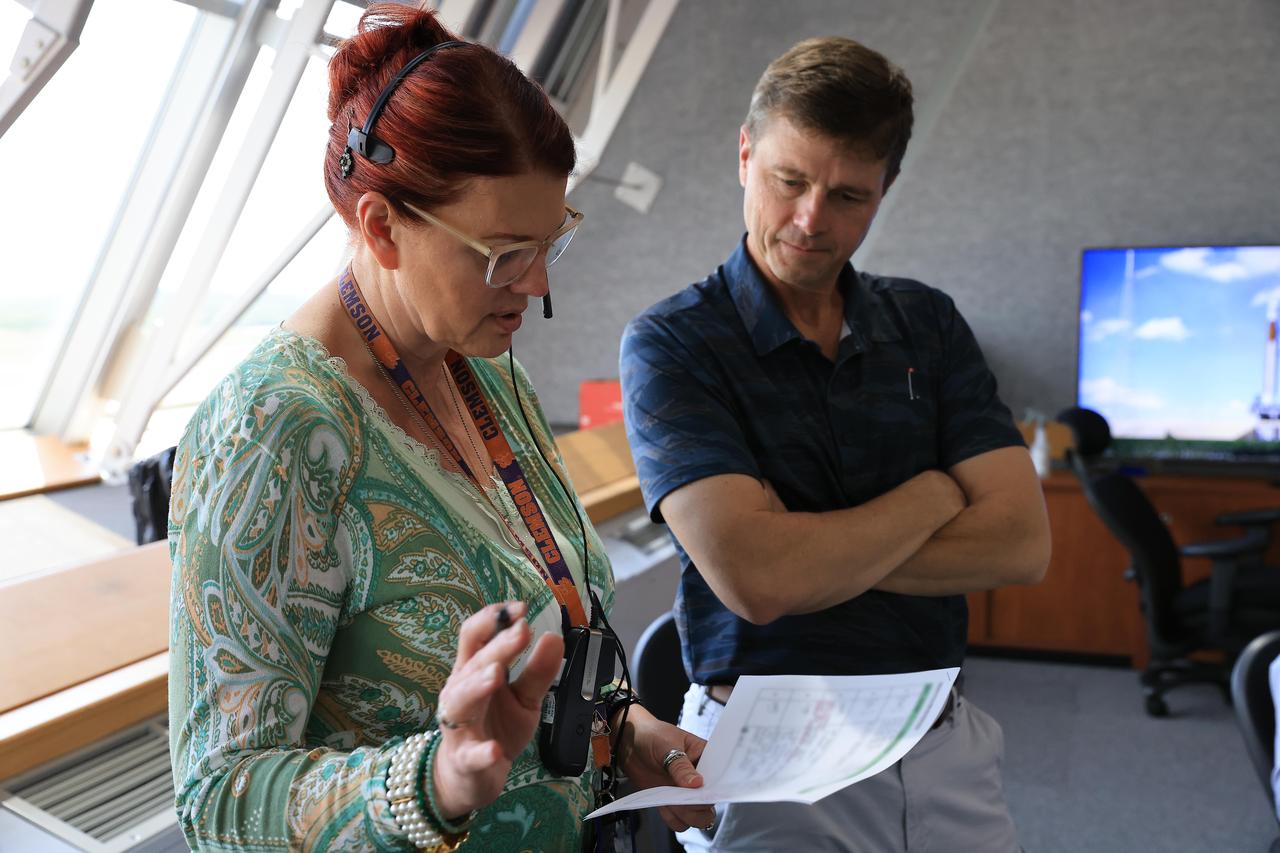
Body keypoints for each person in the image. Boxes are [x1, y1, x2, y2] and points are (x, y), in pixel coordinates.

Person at [167, 6, 714, 851]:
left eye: (550, 242)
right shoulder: (275, 429)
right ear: (382, 226)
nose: (534, 285)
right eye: (502, 254)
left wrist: (623, 729)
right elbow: (220, 797)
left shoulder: (485, 368)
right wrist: (437, 780)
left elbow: (553, 633)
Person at [620, 36, 1052, 852]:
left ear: (886, 189)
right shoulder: (674, 343)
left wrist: (808, 550)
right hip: (769, 748)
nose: (812, 220)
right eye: (790, 181)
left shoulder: (927, 321)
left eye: (850, 194)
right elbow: (758, 579)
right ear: (746, 156)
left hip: (938, 734)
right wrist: (935, 495)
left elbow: (1022, 543)